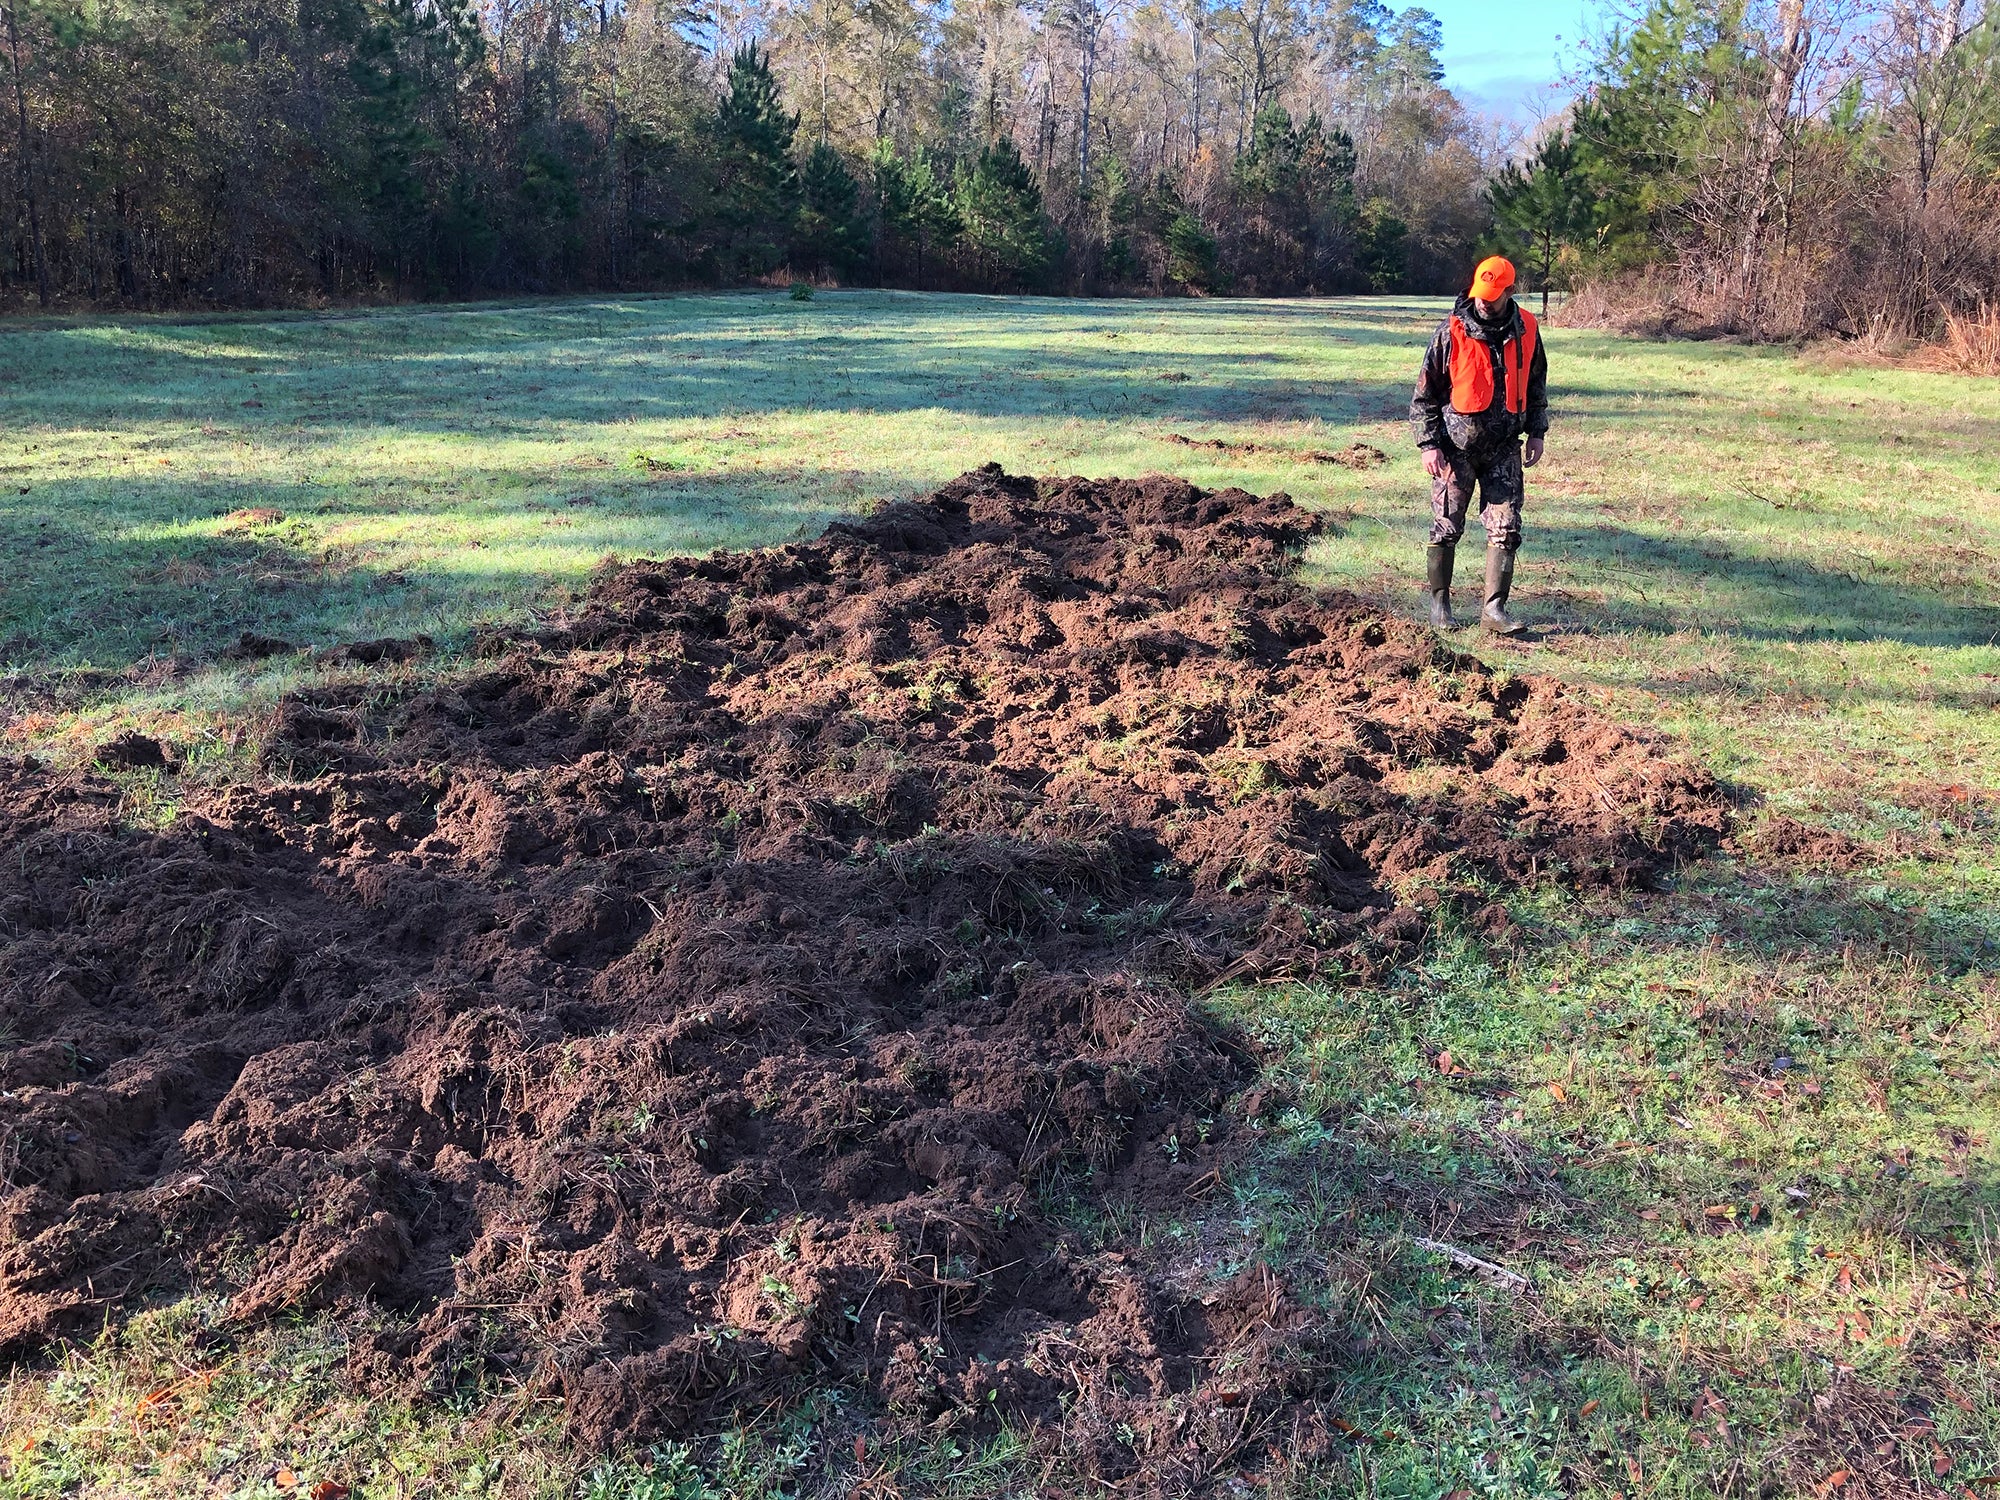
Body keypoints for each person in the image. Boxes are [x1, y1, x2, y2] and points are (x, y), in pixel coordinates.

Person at [1408, 254, 1549, 633]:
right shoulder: (1451, 331)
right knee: (1446, 527)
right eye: (1481, 293)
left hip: (1505, 446)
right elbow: (1424, 396)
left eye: (1493, 294)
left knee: (1506, 527)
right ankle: (1440, 607)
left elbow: (1537, 385)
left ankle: (1494, 612)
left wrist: (1537, 430)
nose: (1485, 300)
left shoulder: (1528, 329)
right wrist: (1429, 445)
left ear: (1509, 290)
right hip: (1455, 448)